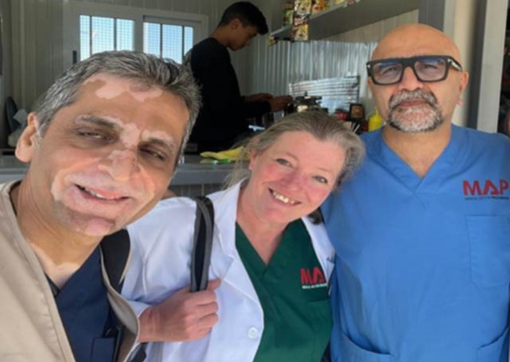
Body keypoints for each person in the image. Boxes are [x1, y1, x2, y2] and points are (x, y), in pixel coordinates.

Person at [322, 24, 510, 362]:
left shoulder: (502, 160)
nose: (409, 83)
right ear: (372, 87)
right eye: (389, 70)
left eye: (431, 66)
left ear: (461, 83)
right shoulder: (333, 164)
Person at [0, 50, 202, 362]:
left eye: (153, 152)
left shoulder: (117, 253)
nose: (121, 171)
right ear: (29, 138)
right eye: (93, 134)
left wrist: (149, 324)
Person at [122, 111, 365, 362]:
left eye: (319, 177)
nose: (294, 185)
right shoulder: (168, 226)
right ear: (255, 155)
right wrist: (153, 323)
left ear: (333, 188)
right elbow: (82, 302)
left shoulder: (321, 244)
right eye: (284, 162)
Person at [185, 1, 292, 153]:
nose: (248, 43)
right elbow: (222, 110)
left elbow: (211, 98)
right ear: (235, 24)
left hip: (203, 139)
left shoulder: (201, 50)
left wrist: (247, 99)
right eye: (250, 36)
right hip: (212, 144)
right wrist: (268, 106)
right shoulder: (214, 53)